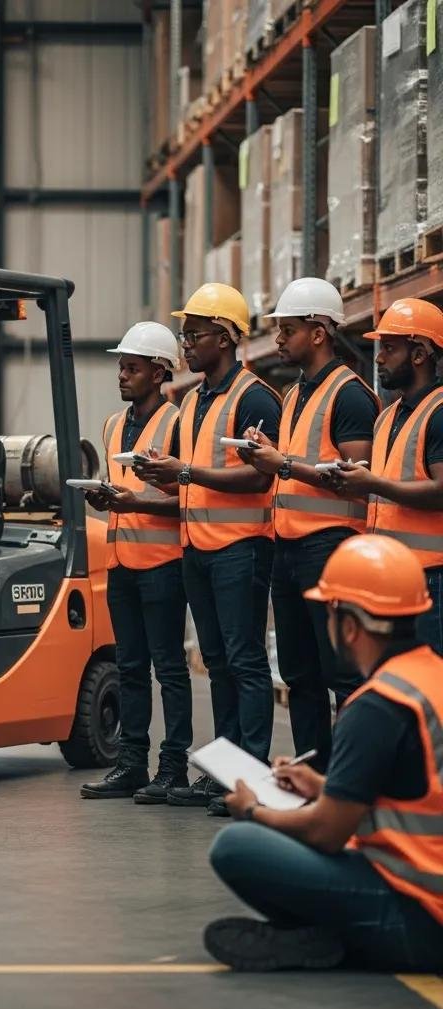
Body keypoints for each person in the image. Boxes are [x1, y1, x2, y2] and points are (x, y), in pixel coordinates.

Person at [205, 535, 443, 973]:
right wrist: (320, 785)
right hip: (430, 895)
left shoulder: (377, 705)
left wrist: (254, 810)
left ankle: (343, 941)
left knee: (236, 847)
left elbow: (327, 832)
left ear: (349, 625)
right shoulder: (429, 680)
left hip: (422, 918)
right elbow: (412, 787)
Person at [135, 283, 282, 816]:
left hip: (240, 550)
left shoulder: (256, 397)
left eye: (193, 335)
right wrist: (164, 477)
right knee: (217, 662)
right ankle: (225, 772)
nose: (185, 345)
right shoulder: (192, 400)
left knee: (244, 663)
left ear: (224, 337)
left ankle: (250, 779)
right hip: (200, 547)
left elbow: (260, 479)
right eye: (184, 335)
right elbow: (195, 479)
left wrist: (188, 472)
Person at [238, 278, 380, 772]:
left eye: (288, 330)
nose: (278, 340)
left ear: (319, 332)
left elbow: (357, 480)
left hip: (333, 550)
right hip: (290, 550)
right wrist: (265, 453)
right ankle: (311, 775)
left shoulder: (352, 397)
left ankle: (350, 780)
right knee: (299, 673)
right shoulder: (295, 392)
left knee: (342, 674)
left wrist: (281, 464)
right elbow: (298, 461)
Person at [80, 323, 192, 804]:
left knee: (168, 668)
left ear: (160, 371)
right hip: (121, 561)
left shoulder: (178, 424)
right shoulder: (110, 425)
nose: (122, 375)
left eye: (133, 367)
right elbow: (122, 490)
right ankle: (131, 764)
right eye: (121, 366)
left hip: (164, 563)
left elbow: (190, 498)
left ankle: (173, 768)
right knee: (129, 667)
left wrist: (135, 503)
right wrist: (109, 500)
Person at [328, 298, 443, 656]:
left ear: (420, 354)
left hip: (431, 576)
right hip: (393, 573)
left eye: (389, 348)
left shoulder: (439, 413)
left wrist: (372, 483)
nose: (378, 358)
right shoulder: (388, 416)